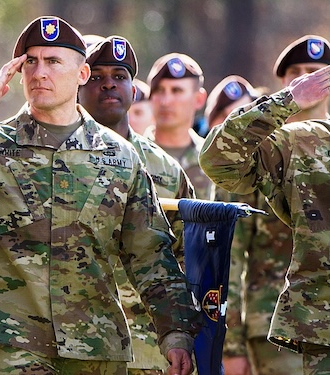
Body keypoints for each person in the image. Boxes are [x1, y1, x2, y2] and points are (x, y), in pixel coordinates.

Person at [0, 16, 201, 375]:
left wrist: (175, 333)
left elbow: (150, 254)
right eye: (31, 61)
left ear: (81, 75)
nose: (39, 72)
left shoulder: (121, 156)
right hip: (11, 338)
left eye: (53, 61)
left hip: (96, 341)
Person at [200, 56, 330, 373]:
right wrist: (286, 101)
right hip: (316, 330)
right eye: (296, 74)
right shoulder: (308, 143)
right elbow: (218, 160)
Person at [78, 35, 196, 375]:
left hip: (150, 347)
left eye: (119, 76)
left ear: (133, 89)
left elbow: (185, 255)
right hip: (79, 343)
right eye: (96, 77)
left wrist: (182, 333)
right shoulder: (53, 160)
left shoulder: (164, 168)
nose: (108, 85)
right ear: (78, 85)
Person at [144, 53, 213, 200]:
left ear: (199, 99)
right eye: (159, 90)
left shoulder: (213, 160)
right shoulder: (132, 155)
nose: (166, 101)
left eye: (176, 91)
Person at [273, 34, 330, 123]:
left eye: (313, 72)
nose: (303, 78)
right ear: (283, 80)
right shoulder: (262, 134)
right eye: (294, 71)